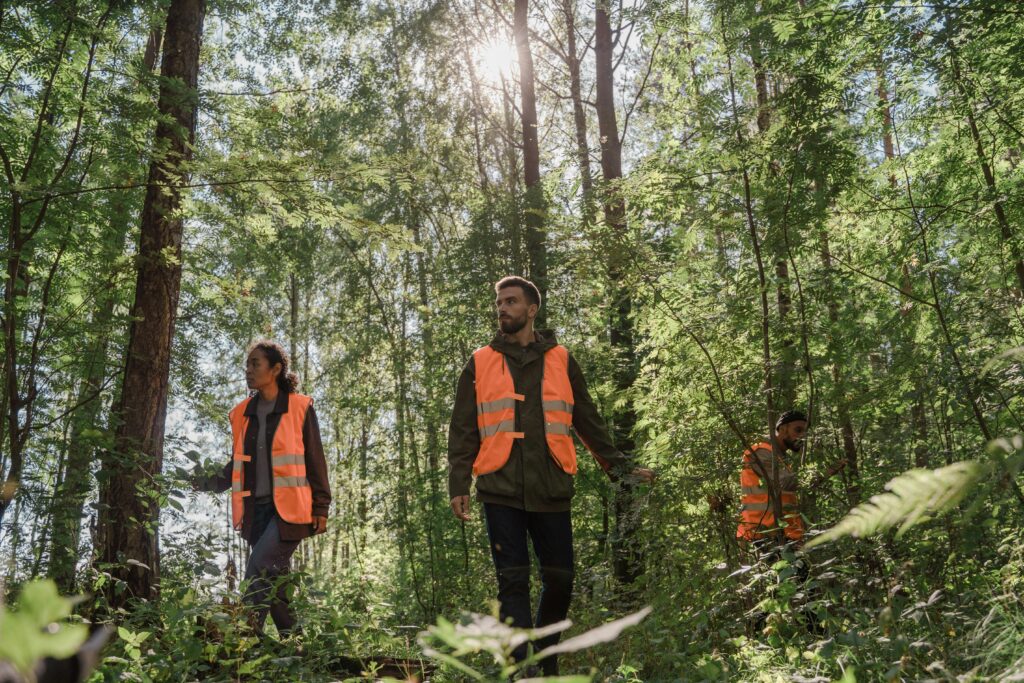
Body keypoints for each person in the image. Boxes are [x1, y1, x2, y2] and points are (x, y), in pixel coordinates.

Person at [448, 276, 655, 676]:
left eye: (510, 301)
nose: (502, 308)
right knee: (512, 584)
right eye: (499, 302)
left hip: (553, 486)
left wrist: (620, 466)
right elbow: (463, 428)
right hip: (499, 486)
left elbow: (587, 419)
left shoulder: (561, 358)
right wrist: (459, 483)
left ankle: (544, 658)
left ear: (531, 309)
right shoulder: (480, 361)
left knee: (560, 580)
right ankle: (525, 671)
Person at [193, 340, 331, 639]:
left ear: (276, 368)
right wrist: (199, 481)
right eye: (248, 364)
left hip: (291, 511)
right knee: (277, 585)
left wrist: (321, 507)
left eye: (255, 363)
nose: (249, 370)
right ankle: (296, 646)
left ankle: (244, 636)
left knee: (259, 565)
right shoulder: (243, 413)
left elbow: (315, 459)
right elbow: (236, 467)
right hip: (257, 512)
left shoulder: (299, 407)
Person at [736, 410, 807, 549]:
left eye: (805, 432)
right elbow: (786, 483)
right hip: (768, 534)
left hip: (785, 533)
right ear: (782, 429)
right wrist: (823, 473)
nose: (802, 436)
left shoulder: (779, 459)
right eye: (798, 430)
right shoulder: (760, 452)